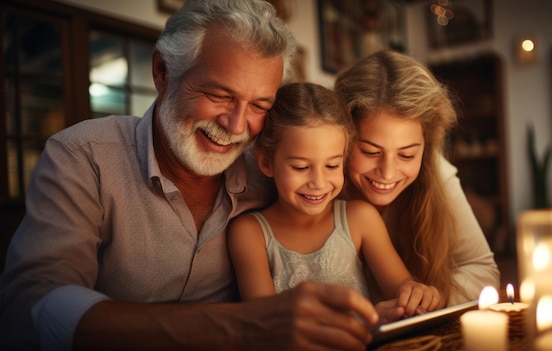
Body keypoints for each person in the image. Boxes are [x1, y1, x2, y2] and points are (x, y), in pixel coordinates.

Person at [0, 1, 380, 350]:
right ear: (162, 72)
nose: (236, 125)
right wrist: (242, 325)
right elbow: (32, 306)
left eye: (258, 105)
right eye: (219, 94)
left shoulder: (271, 175)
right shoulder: (84, 157)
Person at [228, 82, 441, 318]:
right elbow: (265, 324)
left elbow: (401, 286)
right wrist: (369, 320)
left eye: (332, 165)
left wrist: (416, 293)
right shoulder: (249, 233)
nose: (318, 182)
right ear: (266, 162)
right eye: (301, 167)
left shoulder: (360, 218)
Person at [334, 50, 500, 308]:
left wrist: (434, 297)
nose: (388, 173)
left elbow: (483, 271)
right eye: (370, 151)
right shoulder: (317, 178)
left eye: (407, 154)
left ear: (426, 146)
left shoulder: (435, 171)